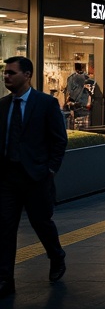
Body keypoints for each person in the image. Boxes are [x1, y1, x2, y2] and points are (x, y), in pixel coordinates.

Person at [0, 56, 68, 297]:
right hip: (8, 178)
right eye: (5, 73)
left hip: (36, 176)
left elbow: (59, 140)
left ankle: (56, 254)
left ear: (27, 75)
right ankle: (5, 279)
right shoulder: (2, 105)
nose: (6, 76)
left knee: (41, 223)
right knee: (5, 228)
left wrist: (49, 169)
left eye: (11, 73)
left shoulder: (46, 103)